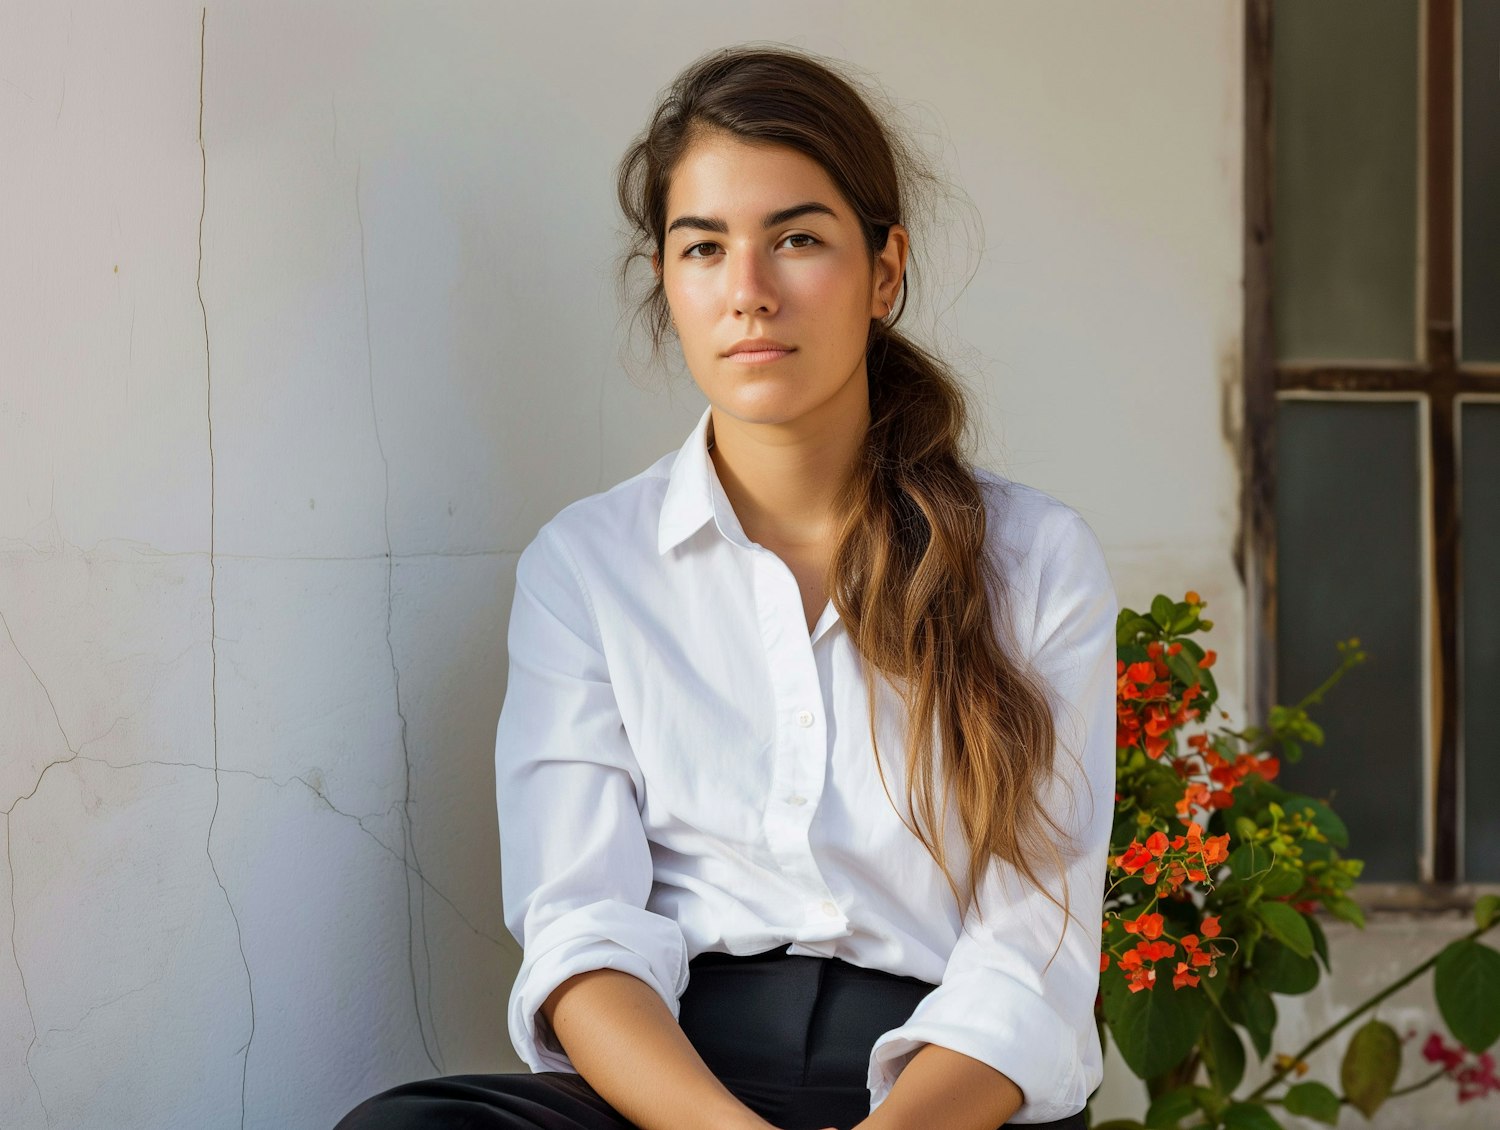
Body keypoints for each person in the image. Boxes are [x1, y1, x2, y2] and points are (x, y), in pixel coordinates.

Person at [336, 42, 1116, 1130]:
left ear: (885, 270)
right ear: (667, 277)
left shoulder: (1032, 558)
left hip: (943, 1090)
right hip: (679, 1087)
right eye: (704, 247)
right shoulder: (589, 565)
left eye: (797, 239)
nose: (748, 291)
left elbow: (1031, 948)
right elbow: (581, 929)